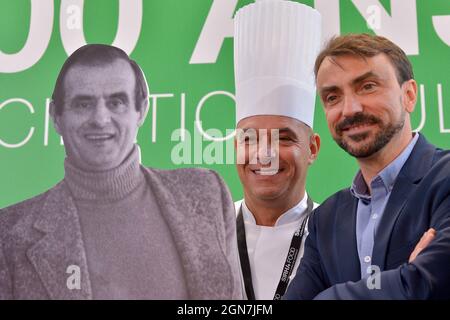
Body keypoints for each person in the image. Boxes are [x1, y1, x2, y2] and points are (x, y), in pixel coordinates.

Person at [0, 44, 243, 300]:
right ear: (55, 116)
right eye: (83, 104)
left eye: (116, 102)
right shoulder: (9, 234)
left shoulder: (206, 195)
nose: (101, 118)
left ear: (142, 111)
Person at [285, 33, 450, 300]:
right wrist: (403, 281)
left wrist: (413, 282)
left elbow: (425, 284)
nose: (349, 109)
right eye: (332, 97)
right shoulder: (325, 219)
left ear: (408, 95)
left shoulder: (444, 179)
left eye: (368, 86)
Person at [233, 0, 322, 300]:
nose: (264, 154)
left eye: (283, 138)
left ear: (312, 148)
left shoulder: (337, 236)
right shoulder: (201, 236)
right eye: (250, 139)